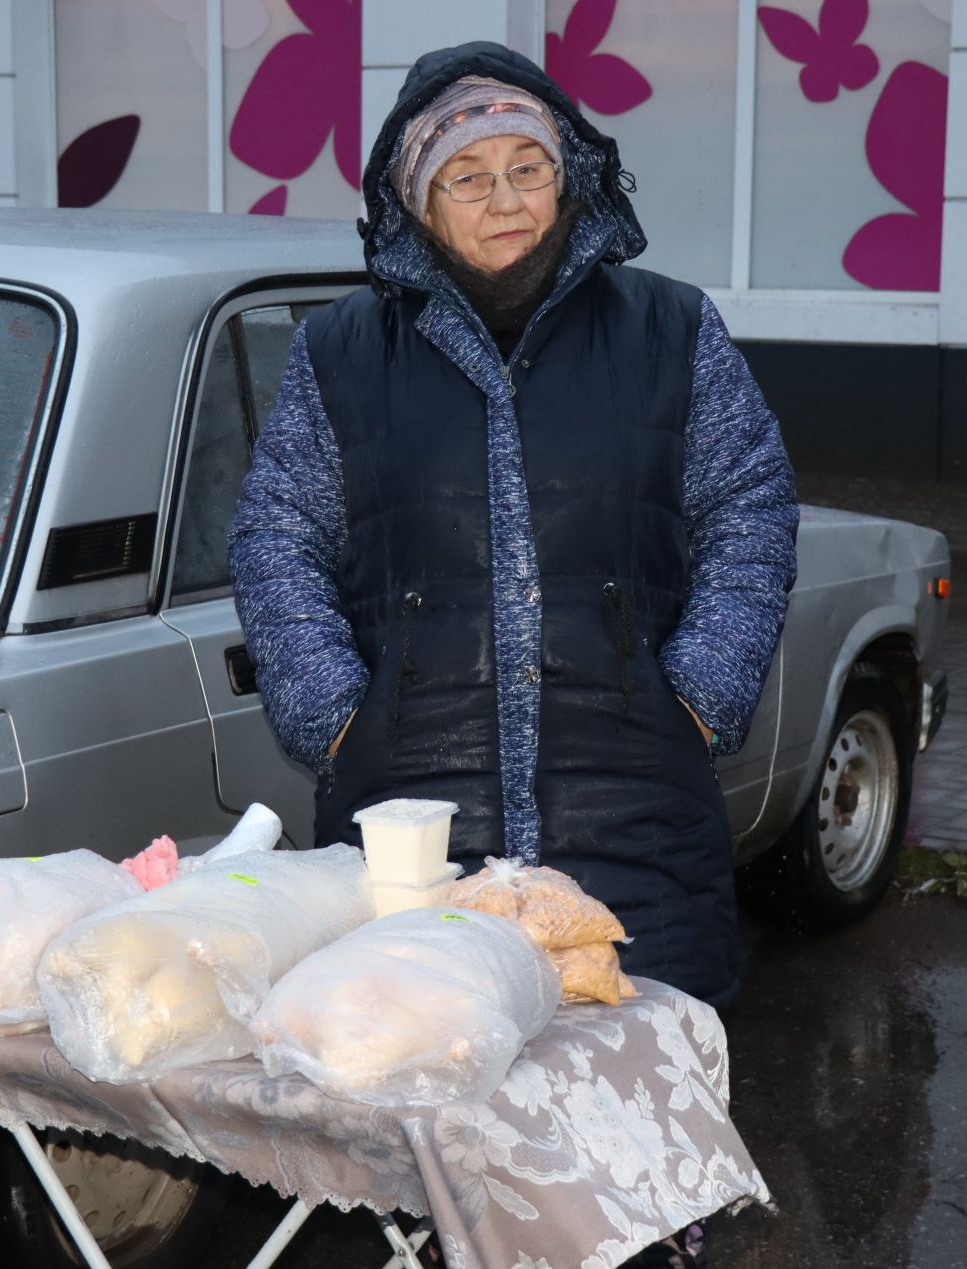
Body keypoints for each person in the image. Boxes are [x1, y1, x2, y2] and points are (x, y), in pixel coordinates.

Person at [229, 41, 798, 1014]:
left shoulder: (669, 329)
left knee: (640, 1121)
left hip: (638, 823)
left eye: (527, 169)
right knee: (417, 1095)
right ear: (416, 203)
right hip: (410, 830)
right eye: (468, 177)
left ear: (567, 176)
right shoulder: (342, 351)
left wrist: (700, 692)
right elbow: (277, 537)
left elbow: (749, 507)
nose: (505, 201)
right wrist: (333, 713)